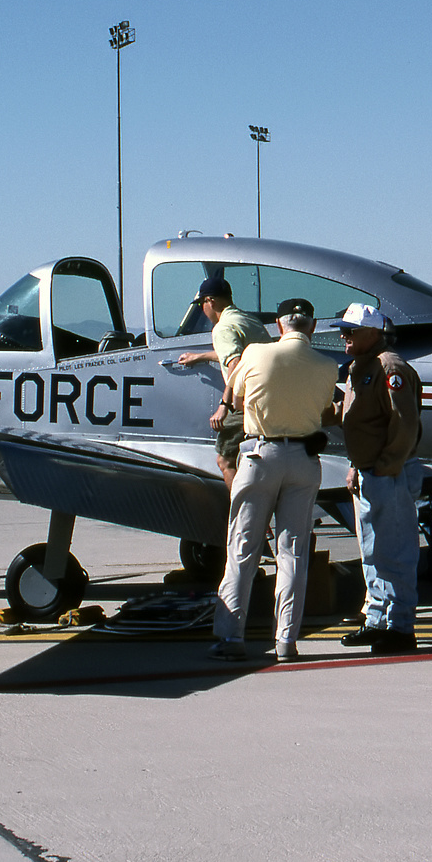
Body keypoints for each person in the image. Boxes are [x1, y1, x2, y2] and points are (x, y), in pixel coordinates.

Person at [210, 298, 338, 663]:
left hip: (259, 456)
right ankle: (286, 641)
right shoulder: (327, 365)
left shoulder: (254, 352)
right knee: (293, 553)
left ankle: (231, 637)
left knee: (243, 550)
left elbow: (234, 399)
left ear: (280, 326)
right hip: (303, 460)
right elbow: (326, 412)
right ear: (311, 327)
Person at [331, 303, 423, 654]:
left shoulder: (390, 367)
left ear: (372, 334)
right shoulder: (359, 368)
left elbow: (404, 422)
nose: (344, 337)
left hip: (389, 472)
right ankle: (376, 620)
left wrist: (388, 464)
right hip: (369, 471)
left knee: (395, 551)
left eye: (351, 331)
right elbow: (354, 420)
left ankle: (400, 627)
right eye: (344, 330)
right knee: (371, 551)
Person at [177, 275, 273, 493]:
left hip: (246, 401)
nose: (203, 309)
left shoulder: (222, 328)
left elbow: (236, 364)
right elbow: (237, 354)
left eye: (202, 303)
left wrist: (225, 405)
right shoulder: (247, 321)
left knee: (225, 461)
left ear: (211, 301)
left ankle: (250, 518)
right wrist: (199, 356)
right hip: (269, 398)